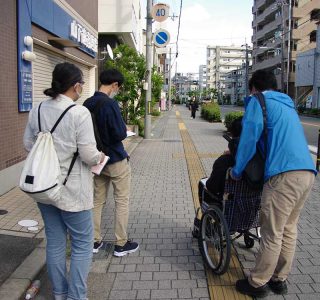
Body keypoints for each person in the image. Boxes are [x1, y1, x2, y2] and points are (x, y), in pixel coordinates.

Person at [231, 70, 316, 298]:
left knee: (271, 232)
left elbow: (248, 140)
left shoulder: (258, 102)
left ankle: (258, 282)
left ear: (253, 88)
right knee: (289, 228)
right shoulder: (287, 104)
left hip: (283, 175)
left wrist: (237, 171)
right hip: (307, 171)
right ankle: (279, 279)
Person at [23, 62, 104, 300]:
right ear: (76, 85)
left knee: (55, 242)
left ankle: (60, 293)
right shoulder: (79, 113)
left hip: (44, 187)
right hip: (73, 191)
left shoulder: (37, 109)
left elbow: (29, 145)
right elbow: (89, 155)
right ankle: (76, 296)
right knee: (81, 244)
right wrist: (100, 157)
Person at [83, 69, 139, 256]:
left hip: (96, 160)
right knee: (121, 201)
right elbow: (118, 133)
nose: (117, 90)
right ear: (114, 85)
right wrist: (124, 130)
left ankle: (93, 241)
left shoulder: (87, 103)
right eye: (118, 87)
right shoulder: (110, 104)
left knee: (97, 201)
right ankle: (121, 244)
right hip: (115, 160)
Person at [205, 117, 242, 199]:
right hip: (254, 203)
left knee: (203, 186)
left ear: (232, 134)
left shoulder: (224, 161)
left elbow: (212, 187)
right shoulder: (261, 160)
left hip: (230, 203)